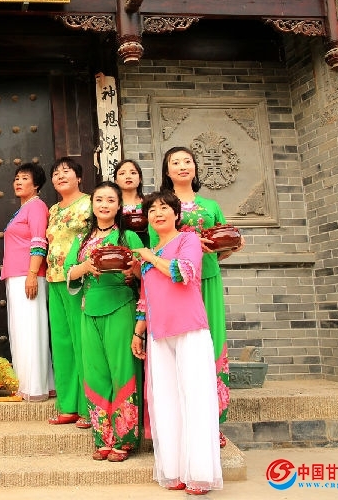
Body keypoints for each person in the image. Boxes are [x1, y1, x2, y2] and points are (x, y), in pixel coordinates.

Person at [133, 190, 223, 495]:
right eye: (152, 210)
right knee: (166, 401)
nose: (158, 214)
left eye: (164, 208)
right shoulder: (152, 250)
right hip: (159, 334)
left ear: (176, 214)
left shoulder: (188, 240)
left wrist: (150, 258)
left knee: (195, 398)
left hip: (189, 328)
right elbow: (145, 298)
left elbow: (184, 272)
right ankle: (174, 470)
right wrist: (138, 331)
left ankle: (199, 474)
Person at [159, 146, 243, 446]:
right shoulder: (162, 205)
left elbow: (223, 242)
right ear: (167, 171)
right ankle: (182, 423)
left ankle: (212, 422)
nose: (183, 166)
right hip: (177, 284)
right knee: (183, 349)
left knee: (212, 344)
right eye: (175, 162)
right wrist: (190, 242)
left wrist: (232, 245)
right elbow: (157, 244)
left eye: (188, 161)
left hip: (208, 277)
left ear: (195, 168)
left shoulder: (210, 205)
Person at [64, 181, 144, 462]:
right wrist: (86, 266)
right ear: (92, 204)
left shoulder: (128, 237)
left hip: (121, 305)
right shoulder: (81, 240)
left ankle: (124, 440)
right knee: (95, 372)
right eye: (99, 199)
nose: (104, 205)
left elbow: (143, 273)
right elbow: (69, 272)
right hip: (89, 309)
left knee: (122, 370)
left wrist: (132, 271)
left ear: (119, 206)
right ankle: (103, 438)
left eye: (111, 200)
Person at [45, 157, 92, 428]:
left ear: (79, 177)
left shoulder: (89, 203)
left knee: (81, 342)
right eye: (56, 173)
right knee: (62, 343)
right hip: (55, 279)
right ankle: (68, 405)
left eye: (66, 171)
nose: (60, 176)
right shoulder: (53, 209)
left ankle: (88, 407)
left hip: (78, 280)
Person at [1, 162, 53, 401]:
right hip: (17, 274)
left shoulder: (37, 207)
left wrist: (32, 274)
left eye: (24, 178)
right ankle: (32, 383)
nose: (18, 182)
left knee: (31, 330)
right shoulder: (23, 208)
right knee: (22, 329)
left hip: (28, 275)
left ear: (37, 184)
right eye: (16, 178)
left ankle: (34, 387)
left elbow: (39, 241)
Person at [114, 159, 149, 246]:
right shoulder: (112, 205)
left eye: (133, 173)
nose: (128, 176)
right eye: (122, 173)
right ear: (116, 181)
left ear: (140, 179)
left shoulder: (149, 203)